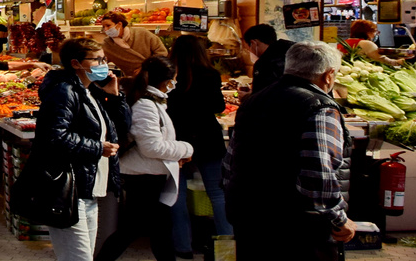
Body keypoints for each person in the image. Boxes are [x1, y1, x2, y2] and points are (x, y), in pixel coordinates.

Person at [224, 41, 356, 261]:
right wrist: (337, 219)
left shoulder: (253, 101)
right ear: (329, 75)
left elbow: (230, 162)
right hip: (296, 225)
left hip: (248, 216)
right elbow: (319, 171)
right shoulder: (320, 107)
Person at [31, 38, 130, 261]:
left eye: (104, 59)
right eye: (97, 59)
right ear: (76, 63)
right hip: (69, 191)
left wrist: (114, 97)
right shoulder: (64, 92)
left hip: (88, 189)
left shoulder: (90, 92)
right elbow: (54, 136)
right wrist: (97, 148)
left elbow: (121, 128)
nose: (104, 64)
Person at [96, 55, 190, 261]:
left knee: (157, 230)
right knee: (137, 229)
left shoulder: (152, 101)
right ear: (166, 80)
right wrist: (185, 149)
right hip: (143, 175)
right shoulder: (146, 105)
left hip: (148, 173)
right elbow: (151, 146)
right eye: (173, 79)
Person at [167, 34, 232, 258]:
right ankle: (226, 246)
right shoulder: (210, 75)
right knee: (218, 194)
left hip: (175, 139)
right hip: (207, 138)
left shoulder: (168, 75)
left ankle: (182, 247)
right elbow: (218, 106)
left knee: (177, 194)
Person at [99, 11, 167, 77]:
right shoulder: (107, 44)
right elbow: (101, 59)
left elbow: (161, 52)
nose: (106, 29)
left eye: (108, 25)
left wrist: (146, 68)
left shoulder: (142, 33)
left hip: (155, 75)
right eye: (103, 27)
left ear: (119, 24)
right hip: (132, 80)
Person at [242, 24, 294, 93]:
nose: (250, 51)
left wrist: (246, 97)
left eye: (249, 47)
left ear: (253, 43)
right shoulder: (293, 53)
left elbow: (260, 95)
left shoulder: (263, 64)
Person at [340, 20, 408, 67]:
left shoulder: (344, 42)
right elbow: (383, 61)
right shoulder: (366, 44)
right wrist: (401, 62)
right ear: (367, 32)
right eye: (375, 32)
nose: (376, 34)